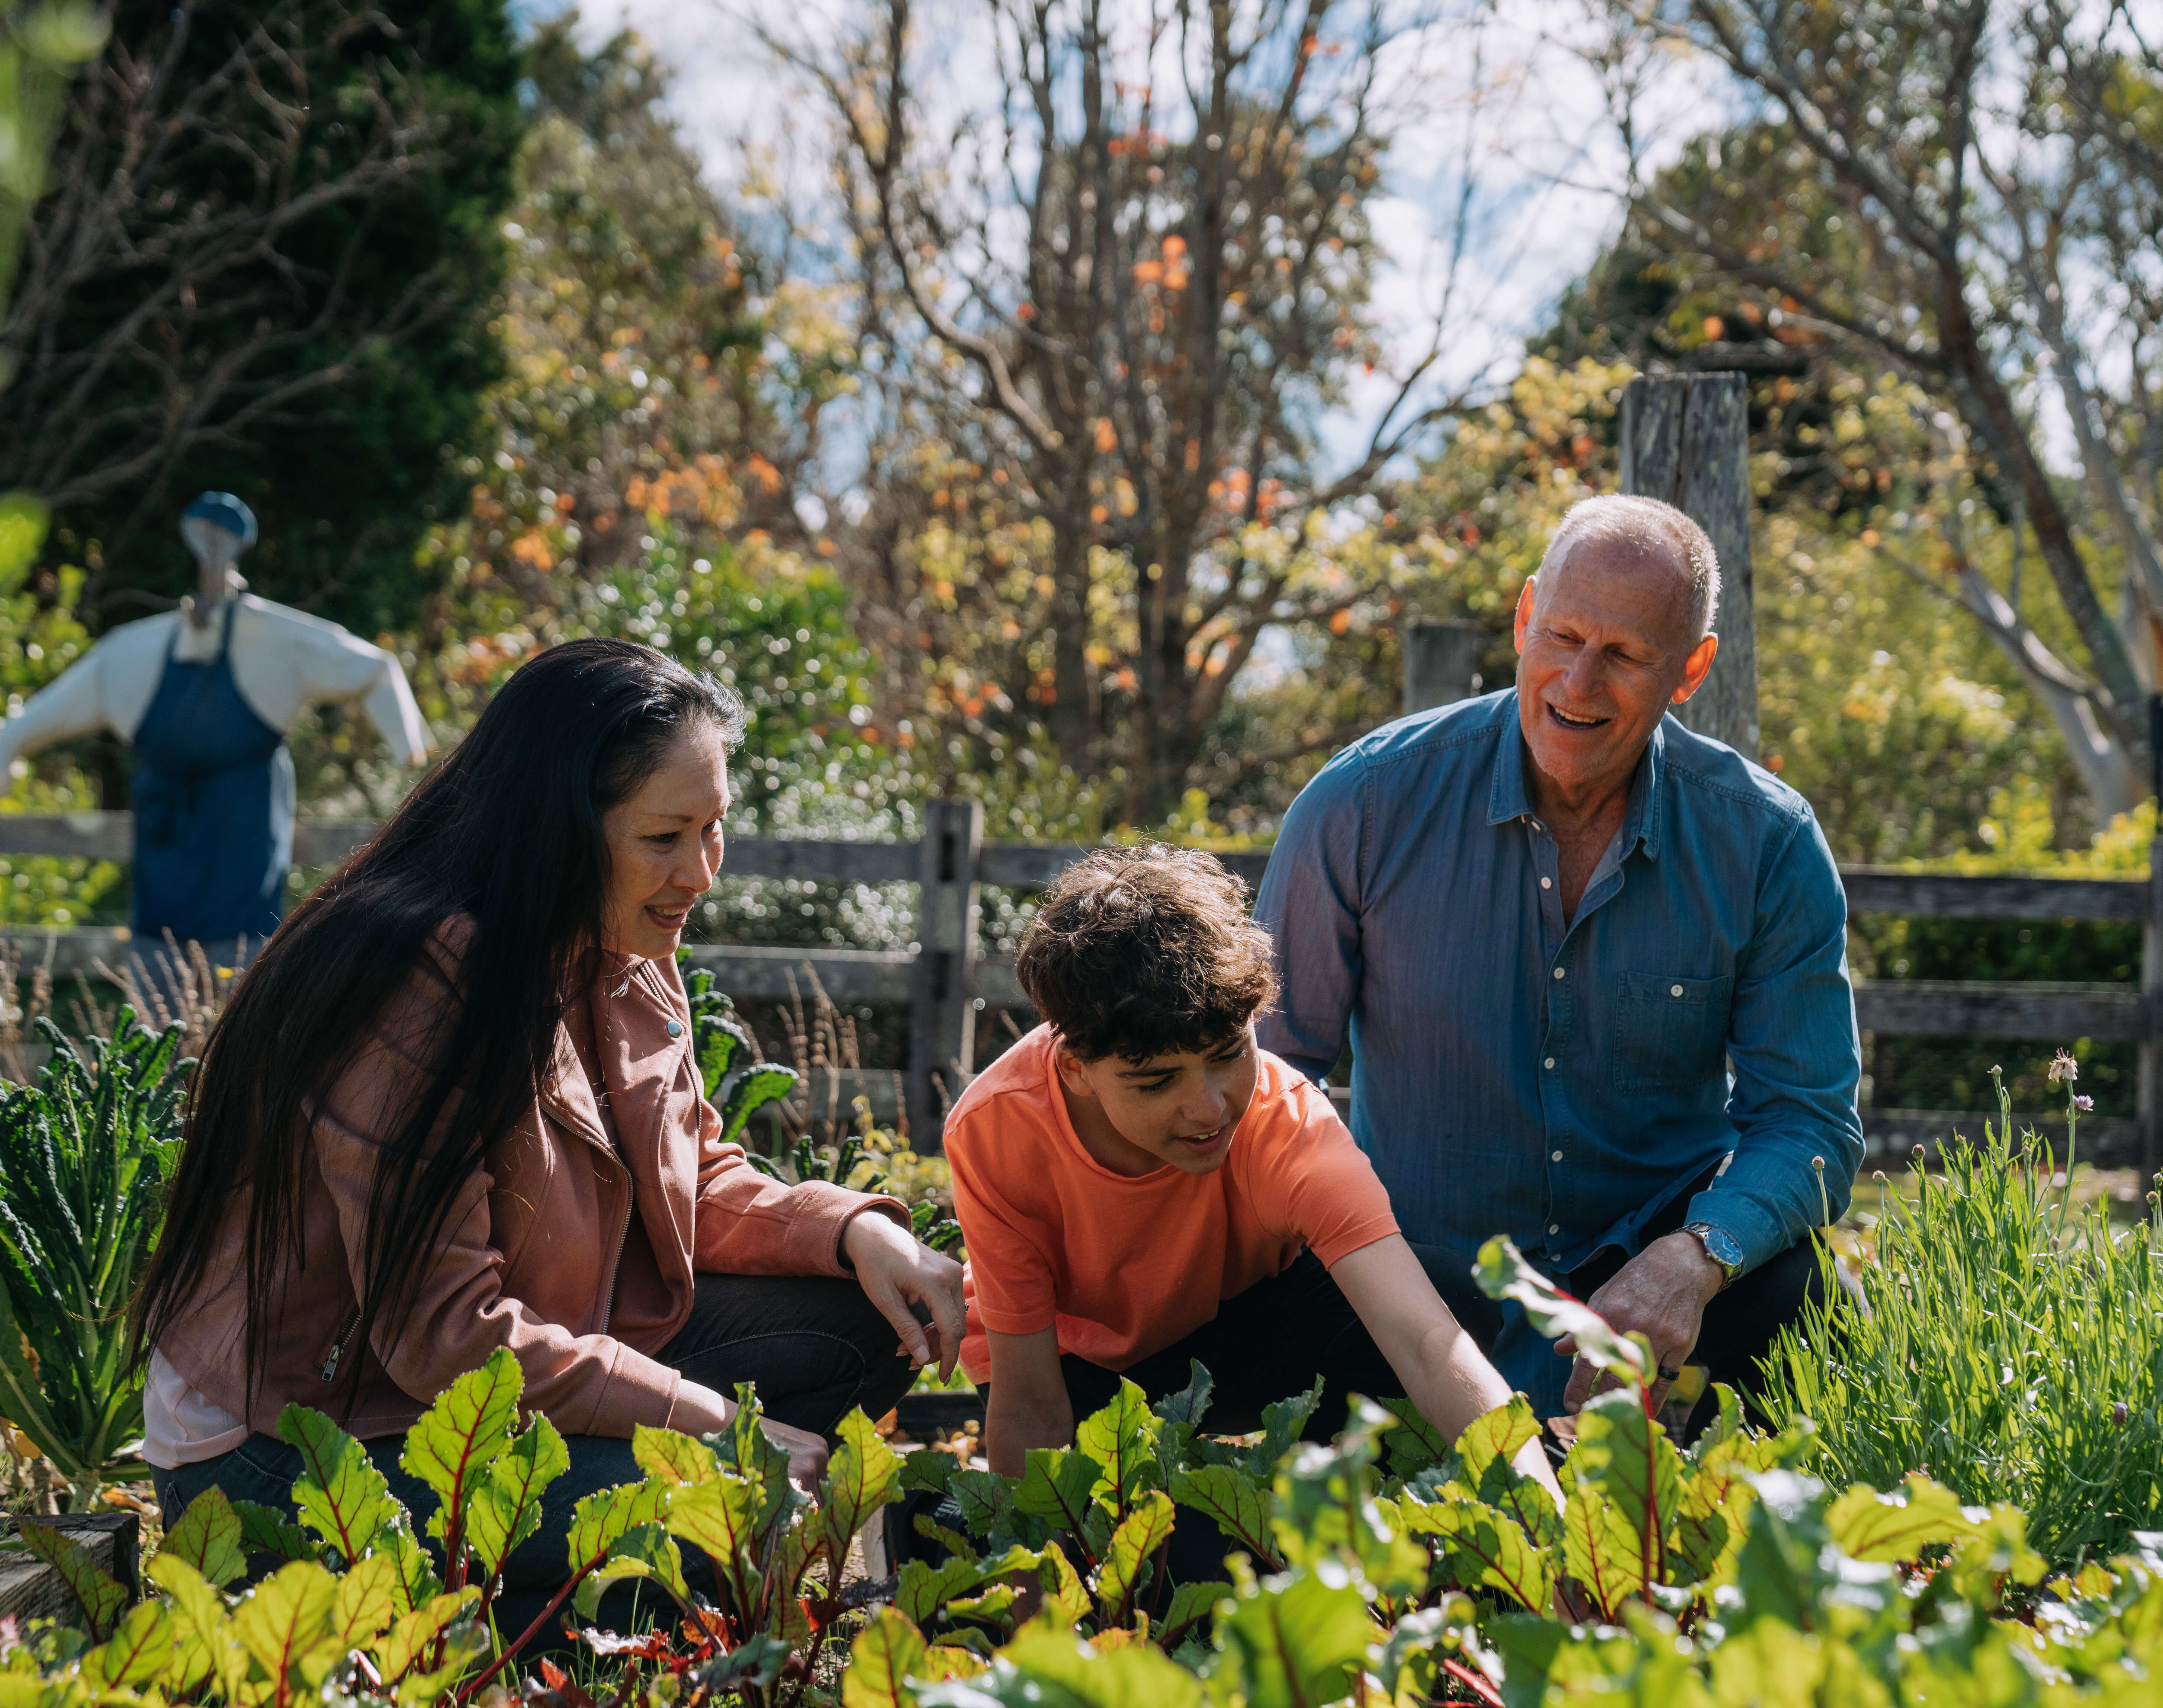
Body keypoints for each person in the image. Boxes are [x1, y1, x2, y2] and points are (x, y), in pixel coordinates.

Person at [134, 638, 966, 1632]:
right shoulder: (421, 980)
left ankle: (578, 1590)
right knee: (726, 1513)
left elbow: (688, 1178)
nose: (700, 873)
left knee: (873, 1317)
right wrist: (708, 1425)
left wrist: (854, 1231)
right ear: (557, 827)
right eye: (664, 837)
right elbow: (446, 1343)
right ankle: (509, 1619)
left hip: (514, 1361)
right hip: (295, 1442)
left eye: (715, 831)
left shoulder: (619, 939)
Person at [1254, 494, 1862, 1425]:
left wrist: (1696, 1258)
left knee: (1807, 1303)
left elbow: (1809, 1122)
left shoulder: (1765, 843)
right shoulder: (1363, 804)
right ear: (1523, 615)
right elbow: (1269, 1075)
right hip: (1407, 1294)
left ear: (1691, 668)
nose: (1578, 683)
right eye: (1563, 636)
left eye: (1623, 656)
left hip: (1655, 1311)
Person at [948, 845, 1519, 1480]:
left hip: (1233, 1336)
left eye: (1226, 1054)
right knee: (1150, 1565)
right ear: (1077, 1071)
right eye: (1157, 1082)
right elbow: (1029, 1402)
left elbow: (1426, 1341)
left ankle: (1355, 1528)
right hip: (1074, 1366)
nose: (1209, 1108)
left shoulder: (1285, 1123)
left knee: (1448, 1289)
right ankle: (924, 1521)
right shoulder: (995, 1127)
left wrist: (1544, 1524)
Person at [0, 492, 430, 965]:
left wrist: (409, 749)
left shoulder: (276, 639)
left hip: (244, 834)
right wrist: (2, 754)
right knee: (160, 1000)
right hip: (164, 846)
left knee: (238, 983)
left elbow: (375, 669)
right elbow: (49, 711)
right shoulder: (135, 651)